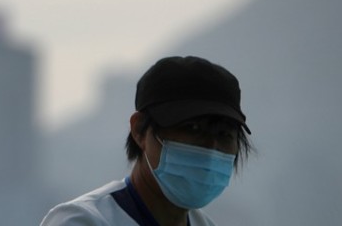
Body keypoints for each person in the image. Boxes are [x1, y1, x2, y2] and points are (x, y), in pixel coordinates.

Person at [39, 55, 253, 226]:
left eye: (225, 135)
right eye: (193, 128)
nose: (210, 149)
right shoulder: (83, 221)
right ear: (139, 130)